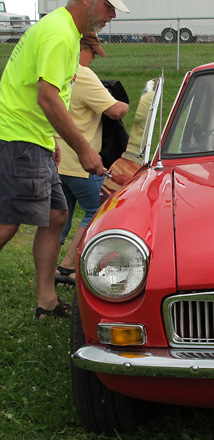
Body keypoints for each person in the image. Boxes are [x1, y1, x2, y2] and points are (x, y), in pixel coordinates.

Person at [0, 0, 130, 319]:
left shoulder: (68, 32)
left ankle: (46, 302)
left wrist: (52, 139)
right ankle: (45, 301)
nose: (112, 16)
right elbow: (47, 96)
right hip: (19, 137)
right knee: (7, 224)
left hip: (36, 138)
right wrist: (84, 149)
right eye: (108, 6)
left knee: (57, 215)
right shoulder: (59, 34)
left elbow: (43, 91)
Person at [54, 32, 129, 286]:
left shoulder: (56, 72)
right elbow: (115, 111)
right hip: (81, 163)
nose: (93, 59)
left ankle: (49, 268)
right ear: (82, 48)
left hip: (57, 159)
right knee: (98, 211)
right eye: (93, 53)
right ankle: (67, 266)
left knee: (59, 216)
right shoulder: (83, 75)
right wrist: (126, 104)